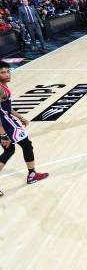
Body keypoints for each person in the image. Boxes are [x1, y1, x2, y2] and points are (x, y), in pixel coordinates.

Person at [0, 61, 48, 196]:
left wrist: (20, 117)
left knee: (9, 151)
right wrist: (3, 134)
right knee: (27, 145)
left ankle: (32, 174)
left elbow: (6, 107)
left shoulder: (3, 87)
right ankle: (32, 175)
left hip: (5, 122)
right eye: (3, 72)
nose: (7, 74)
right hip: (5, 124)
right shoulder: (0, 89)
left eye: (8, 71)